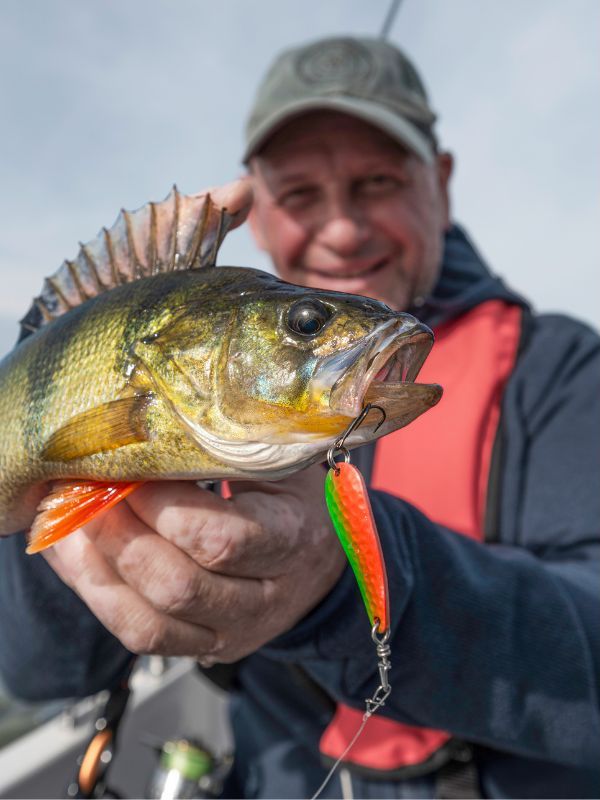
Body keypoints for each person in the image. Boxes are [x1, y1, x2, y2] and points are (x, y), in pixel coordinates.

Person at [1, 35, 599, 799]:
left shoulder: (563, 372)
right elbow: (45, 672)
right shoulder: (210, 347)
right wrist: (45, 409)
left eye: (377, 181)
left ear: (441, 183)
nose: (342, 229)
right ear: (257, 200)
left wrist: (343, 589)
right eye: (300, 194)